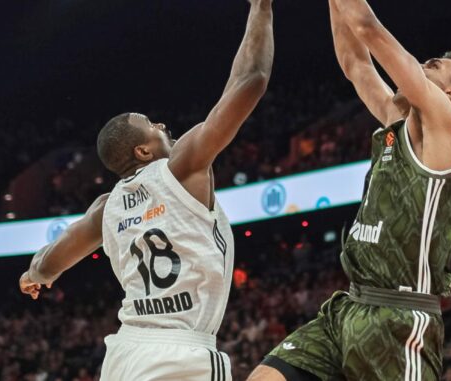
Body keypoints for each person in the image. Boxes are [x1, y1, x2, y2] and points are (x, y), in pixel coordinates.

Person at [18, 1, 274, 379]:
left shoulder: (106, 209)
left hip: (124, 353)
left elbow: (48, 263)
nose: (162, 124)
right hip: (182, 353)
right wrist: (261, 7)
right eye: (152, 125)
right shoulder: (182, 166)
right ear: (142, 150)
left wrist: (33, 276)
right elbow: (250, 79)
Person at [248, 0, 451, 379]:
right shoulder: (398, 120)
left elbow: (367, 28)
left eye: (435, 66)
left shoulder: (444, 125)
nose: (423, 64)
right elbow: (355, 63)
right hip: (350, 306)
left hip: (400, 318)